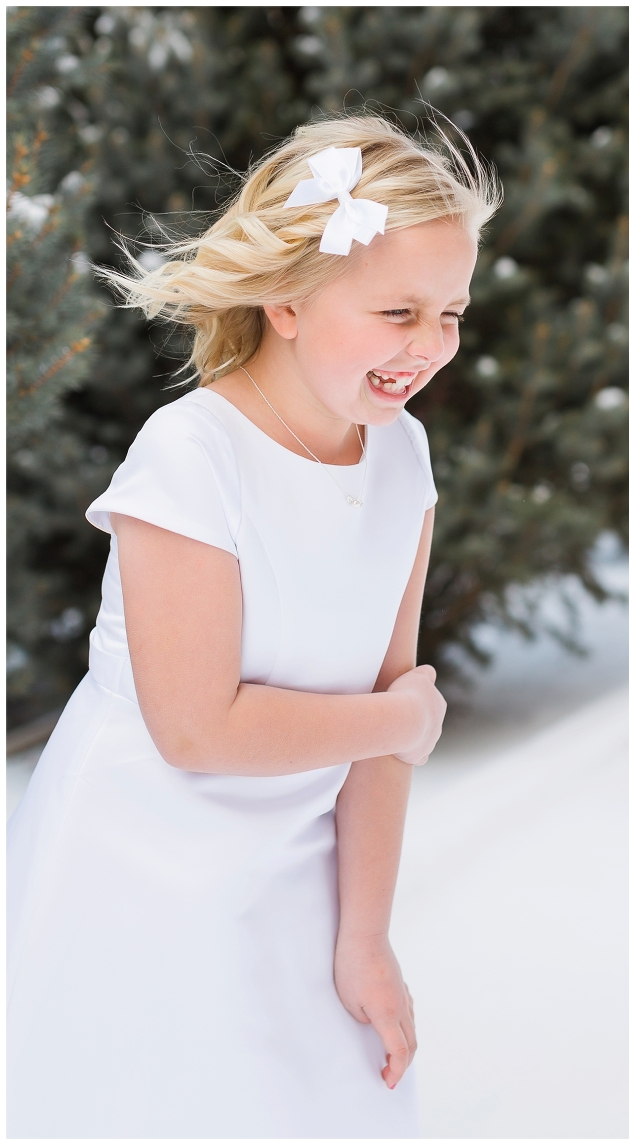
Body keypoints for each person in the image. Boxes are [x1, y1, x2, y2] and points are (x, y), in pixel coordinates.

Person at [7, 114, 500, 1138]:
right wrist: (398, 722)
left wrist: (364, 935)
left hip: (293, 867)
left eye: (450, 313)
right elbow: (200, 726)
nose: (429, 344)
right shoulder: (191, 459)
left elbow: (386, 704)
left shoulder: (401, 457)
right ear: (286, 297)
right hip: (141, 873)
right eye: (397, 308)